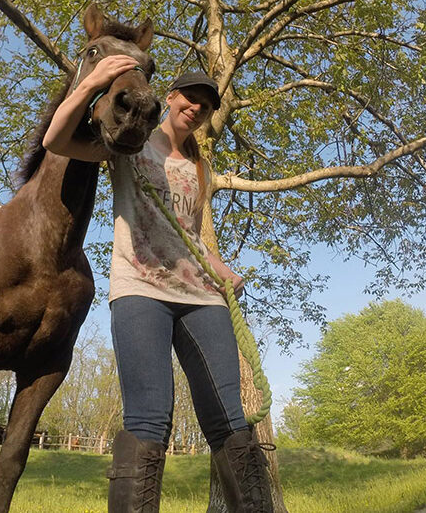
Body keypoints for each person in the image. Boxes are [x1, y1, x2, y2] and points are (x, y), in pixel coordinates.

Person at [44, 56, 274, 513]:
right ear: (170, 98)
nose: (196, 107)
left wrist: (221, 266)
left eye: (206, 105)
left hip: (201, 296)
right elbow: (57, 139)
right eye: (190, 97)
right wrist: (93, 80)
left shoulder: (199, 167)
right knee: (150, 416)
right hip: (140, 290)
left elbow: (188, 233)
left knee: (227, 416)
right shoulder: (129, 141)